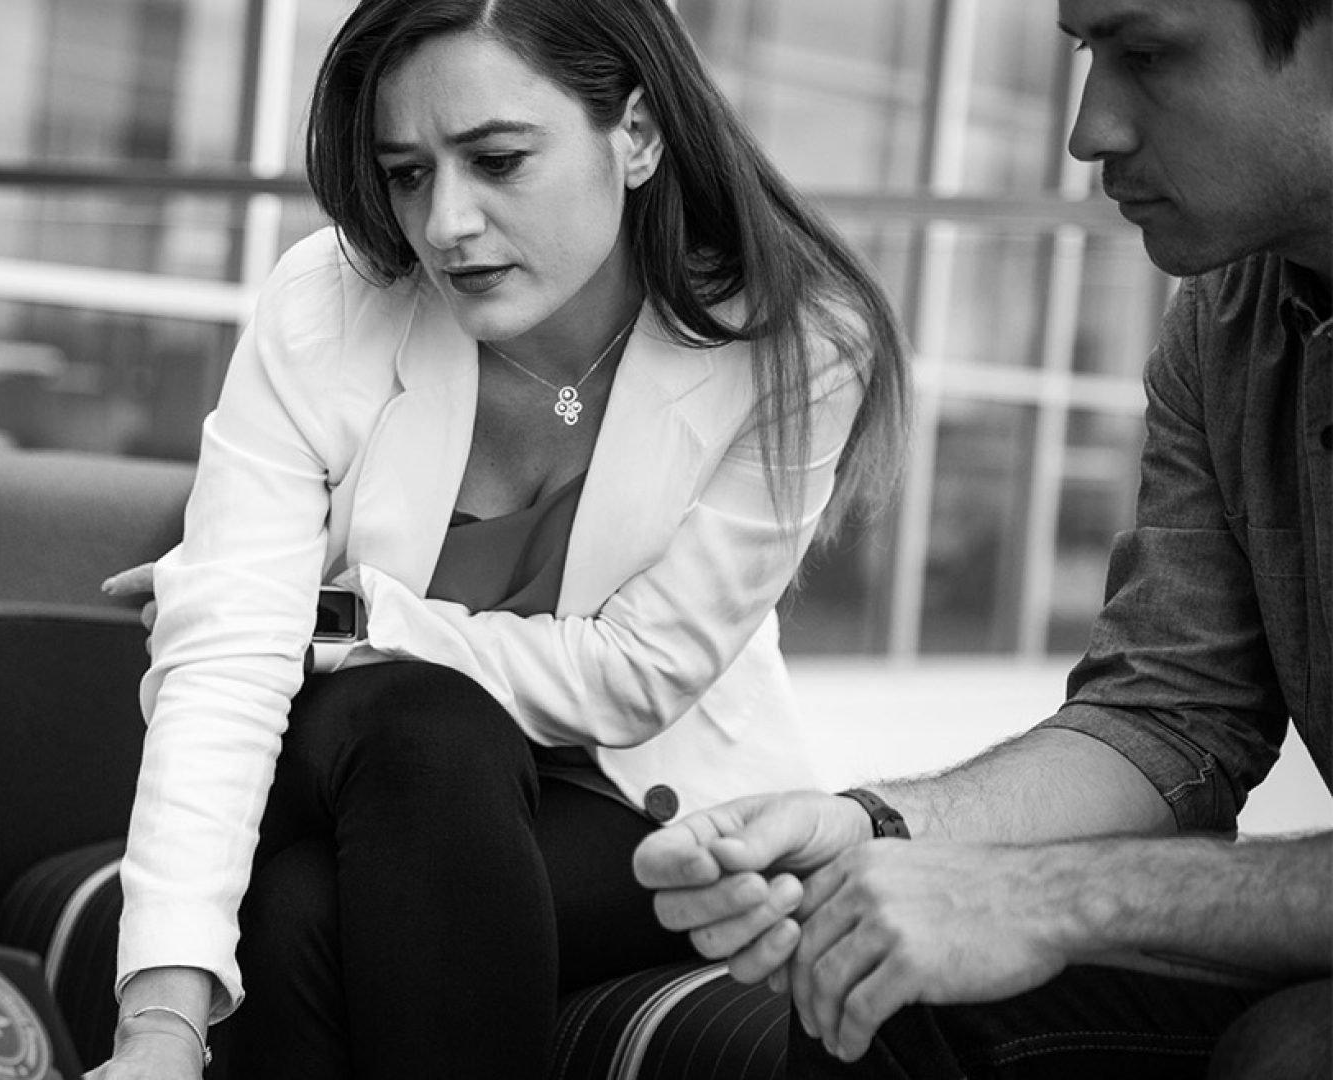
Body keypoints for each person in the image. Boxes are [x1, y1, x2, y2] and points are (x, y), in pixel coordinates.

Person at [85, 0, 910, 1076]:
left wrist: (340, 618)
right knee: (425, 722)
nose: (445, 224)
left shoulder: (795, 341)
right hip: (357, 757)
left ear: (637, 134)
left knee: (302, 912)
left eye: (497, 160)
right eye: (407, 173)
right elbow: (225, 663)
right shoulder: (328, 303)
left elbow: (639, 674)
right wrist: (157, 1030)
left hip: (630, 795)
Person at [635, 0, 1332, 1077]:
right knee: (880, 983)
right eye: (1089, 55)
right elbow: (1172, 722)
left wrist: (1058, 895)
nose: (1089, 130)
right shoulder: (1224, 320)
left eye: (1147, 54)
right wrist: (873, 830)